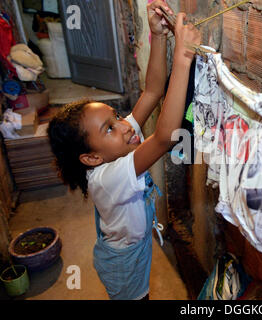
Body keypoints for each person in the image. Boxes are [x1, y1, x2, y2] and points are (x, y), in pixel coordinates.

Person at [47, 1, 201, 300]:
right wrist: (183, 56)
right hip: (124, 263)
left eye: (116, 117)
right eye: (110, 128)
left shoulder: (116, 145)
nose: (125, 126)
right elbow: (165, 137)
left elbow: (152, 92)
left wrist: (159, 36)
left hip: (132, 244)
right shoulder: (108, 176)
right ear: (91, 158)